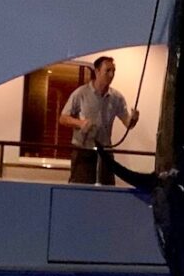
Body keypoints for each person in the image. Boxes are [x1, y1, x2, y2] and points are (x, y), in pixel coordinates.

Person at [58, 56, 139, 185]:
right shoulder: (81, 93)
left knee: (107, 189)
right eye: (108, 71)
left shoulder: (117, 98)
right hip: (83, 150)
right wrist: (79, 123)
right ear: (97, 71)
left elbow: (128, 124)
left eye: (113, 71)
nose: (111, 75)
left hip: (105, 151)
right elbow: (63, 118)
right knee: (80, 188)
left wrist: (133, 119)